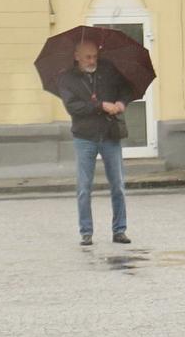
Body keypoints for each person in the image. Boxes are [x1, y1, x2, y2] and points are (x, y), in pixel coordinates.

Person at [56, 39, 135, 247]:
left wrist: (121, 102)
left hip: (110, 134)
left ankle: (120, 230)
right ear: (77, 57)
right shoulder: (67, 79)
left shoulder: (108, 70)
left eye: (95, 56)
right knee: (84, 187)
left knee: (117, 185)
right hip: (84, 137)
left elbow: (126, 89)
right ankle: (86, 232)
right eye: (88, 57)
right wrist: (101, 106)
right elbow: (74, 107)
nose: (92, 60)